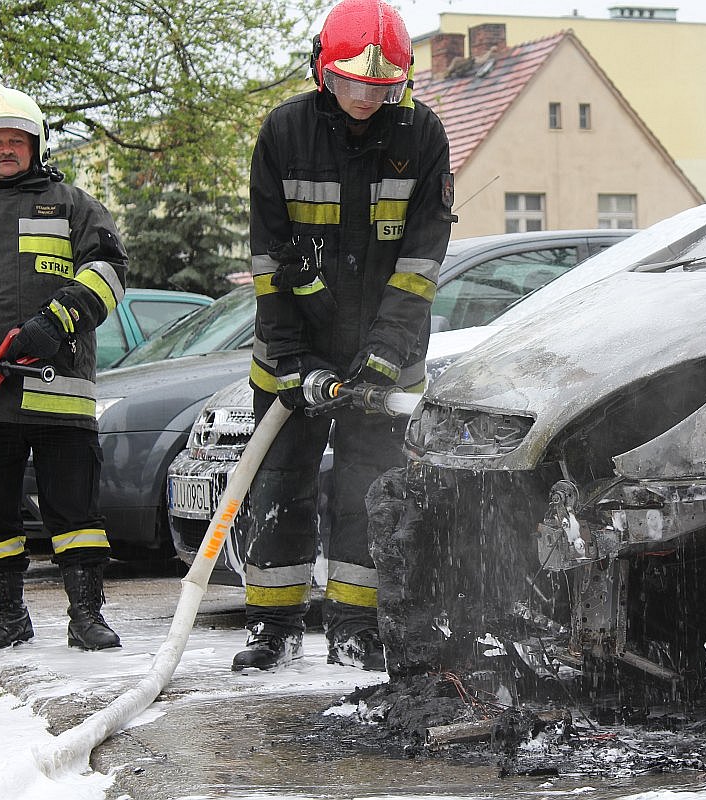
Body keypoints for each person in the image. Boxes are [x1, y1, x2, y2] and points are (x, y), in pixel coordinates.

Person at [235, 0, 454, 672]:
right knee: (278, 487)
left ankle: (357, 625)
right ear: (323, 72)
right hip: (292, 354)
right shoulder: (284, 133)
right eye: (353, 84)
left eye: (380, 88)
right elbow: (270, 262)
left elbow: (420, 266)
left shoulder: (422, 137)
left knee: (371, 491)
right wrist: (296, 361)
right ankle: (273, 627)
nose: (365, 99)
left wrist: (386, 353)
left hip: (385, 361)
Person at [0, 85, 128, 654]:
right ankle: (8, 616)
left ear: (36, 146)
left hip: (58, 390)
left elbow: (108, 269)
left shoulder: (73, 205)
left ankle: (86, 616)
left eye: (17, 141)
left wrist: (59, 320)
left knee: (76, 511)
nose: (7, 150)